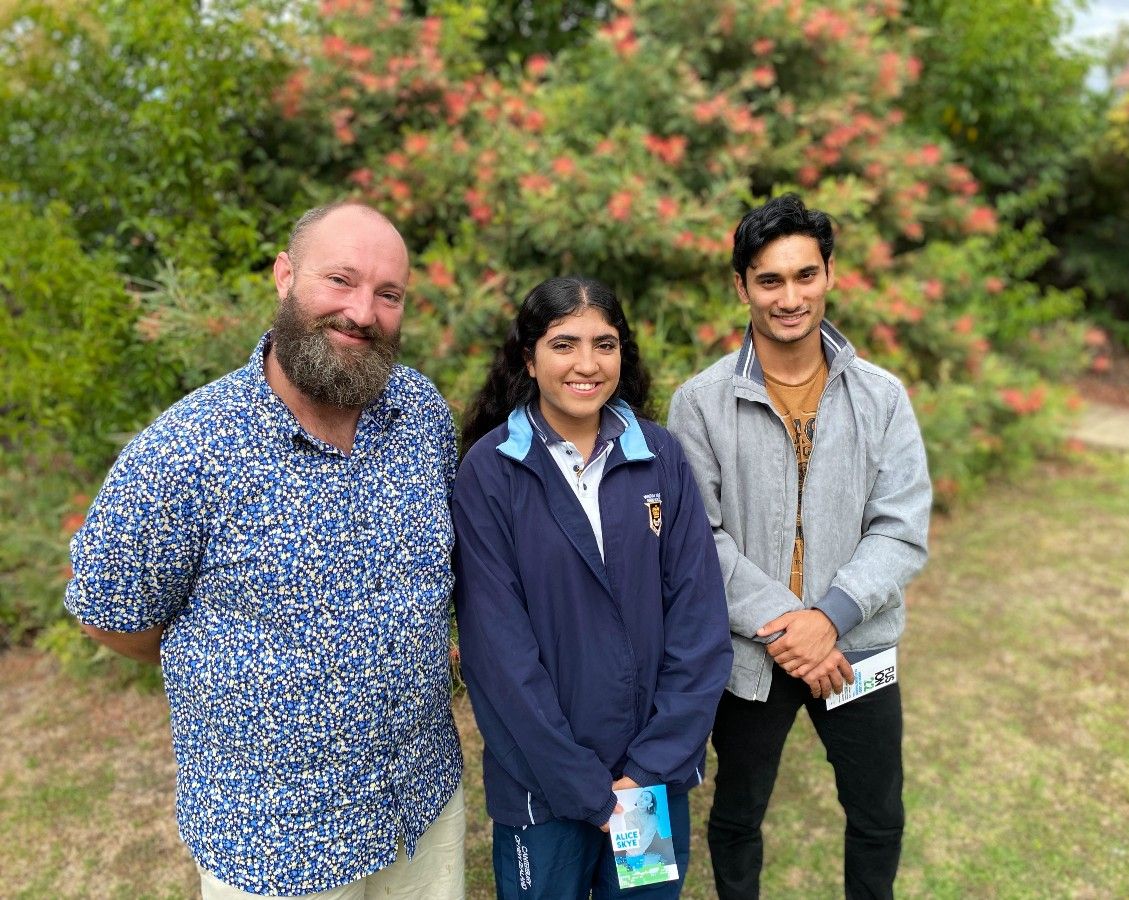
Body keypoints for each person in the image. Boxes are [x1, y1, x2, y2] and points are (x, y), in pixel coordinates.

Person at [65, 202, 466, 899]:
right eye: (339, 280)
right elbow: (110, 615)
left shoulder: (423, 415)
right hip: (275, 839)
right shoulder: (185, 450)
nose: (362, 312)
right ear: (284, 275)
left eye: (388, 293)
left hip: (421, 806)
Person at [667, 194, 932, 900]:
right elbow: (698, 538)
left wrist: (831, 619)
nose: (790, 297)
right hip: (754, 652)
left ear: (829, 275)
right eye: (770, 280)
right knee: (738, 812)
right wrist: (791, 625)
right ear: (742, 287)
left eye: (804, 275)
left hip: (859, 645)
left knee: (878, 812)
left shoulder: (881, 397)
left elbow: (901, 527)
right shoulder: (700, 403)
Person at [452, 276, 732, 900]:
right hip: (544, 785)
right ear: (529, 358)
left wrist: (648, 772)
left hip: (648, 786)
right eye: (564, 343)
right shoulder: (491, 473)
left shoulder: (659, 456)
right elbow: (499, 655)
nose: (586, 364)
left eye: (604, 344)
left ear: (623, 353)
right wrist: (581, 784)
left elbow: (700, 624)